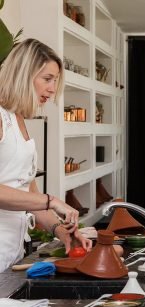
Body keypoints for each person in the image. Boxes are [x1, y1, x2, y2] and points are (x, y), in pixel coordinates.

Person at [0, 39, 92, 272]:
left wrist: (60, 231)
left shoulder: (17, 118)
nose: (52, 89)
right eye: (47, 79)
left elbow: (27, 192)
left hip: (11, 252)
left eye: (55, 81)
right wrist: (52, 201)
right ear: (23, 74)